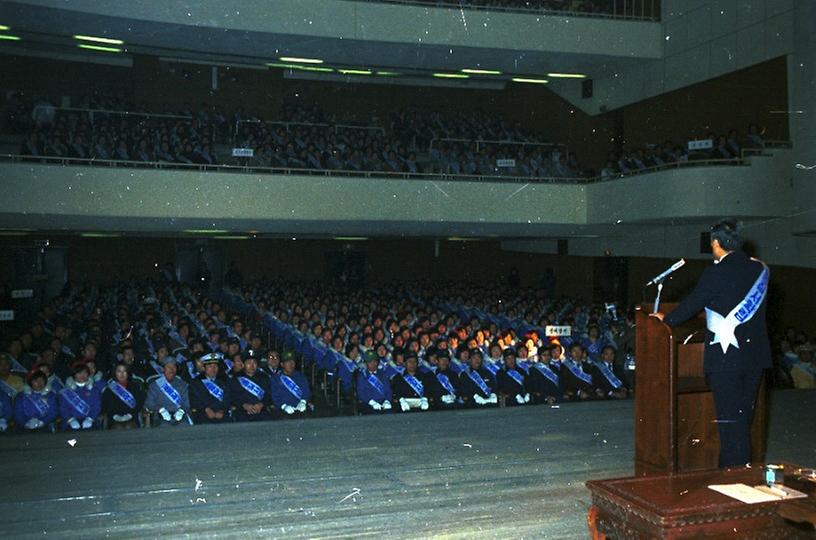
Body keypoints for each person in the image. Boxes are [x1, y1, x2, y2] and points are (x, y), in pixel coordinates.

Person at [652, 219, 770, 468]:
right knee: (743, 419)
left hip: (726, 357)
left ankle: (731, 476)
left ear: (715, 243)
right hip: (754, 356)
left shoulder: (715, 272)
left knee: (729, 421)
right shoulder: (759, 269)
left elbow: (693, 302)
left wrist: (668, 318)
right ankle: (740, 472)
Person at [145, 356, 191, 427]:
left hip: (179, 417)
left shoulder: (183, 384)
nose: (171, 370)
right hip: (161, 418)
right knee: (164, 426)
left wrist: (182, 410)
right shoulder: (155, 385)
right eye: (168, 367)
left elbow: (187, 403)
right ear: (163, 369)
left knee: (184, 425)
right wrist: (160, 409)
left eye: (174, 367)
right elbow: (149, 403)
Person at [230, 350, 273, 422]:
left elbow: (269, 395)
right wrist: (244, 405)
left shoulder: (264, 377)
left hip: (261, 411)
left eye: (254, 363)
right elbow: (232, 397)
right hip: (242, 411)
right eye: (249, 363)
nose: (252, 365)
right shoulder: (236, 378)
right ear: (243, 364)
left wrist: (261, 404)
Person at [59, 362, 102, 430]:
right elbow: (63, 409)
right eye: (79, 373)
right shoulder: (66, 391)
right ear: (74, 375)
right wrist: (70, 420)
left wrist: (90, 419)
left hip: (90, 421)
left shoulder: (94, 390)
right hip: (70, 423)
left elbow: (96, 407)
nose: (82, 375)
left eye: (85, 373)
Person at [189, 353, 231, 424]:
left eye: (215, 366)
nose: (213, 369)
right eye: (210, 366)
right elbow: (193, 401)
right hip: (203, 416)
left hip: (222, 415)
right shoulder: (196, 382)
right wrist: (206, 409)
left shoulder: (225, 380)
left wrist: (222, 410)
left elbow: (229, 399)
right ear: (204, 368)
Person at [102, 362, 145, 429]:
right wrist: (115, 416)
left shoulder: (135, 387)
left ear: (128, 373)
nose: (122, 374)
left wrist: (130, 415)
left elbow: (140, 403)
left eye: (124, 371)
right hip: (114, 419)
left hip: (132, 417)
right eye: (119, 371)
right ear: (115, 373)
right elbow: (106, 406)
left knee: (129, 426)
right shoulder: (109, 389)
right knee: (117, 428)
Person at [270, 351, 312, 416]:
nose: (291, 364)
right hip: (283, 410)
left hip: (300, 408)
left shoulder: (300, 376)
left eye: (293, 362)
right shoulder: (275, 378)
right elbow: (275, 396)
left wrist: (303, 402)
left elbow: (306, 391)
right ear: (282, 364)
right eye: (288, 362)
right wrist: (284, 406)